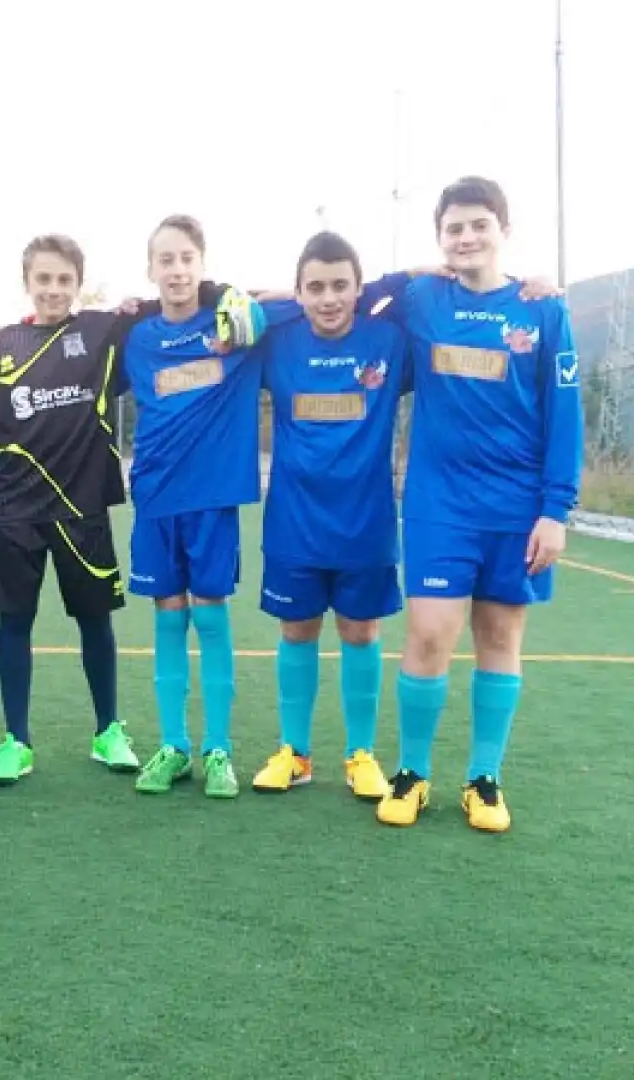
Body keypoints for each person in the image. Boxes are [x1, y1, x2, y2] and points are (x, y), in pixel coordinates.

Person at [369, 176, 584, 832]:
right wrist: (409, 270)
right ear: (441, 239)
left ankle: (484, 779)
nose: (466, 238)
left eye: (478, 226)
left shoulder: (543, 310)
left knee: (499, 636)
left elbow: (564, 415)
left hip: (517, 509)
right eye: (454, 228)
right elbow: (360, 299)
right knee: (430, 632)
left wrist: (556, 510)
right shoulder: (424, 299)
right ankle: (411, 772)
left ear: (503, 231)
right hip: (439, 503)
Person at [123, 213, 297, 798]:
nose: (175, 270)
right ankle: (173, 746)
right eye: (164, 260)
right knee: (167, 619)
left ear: (202, 263)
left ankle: (218, 748)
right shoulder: (138, 338)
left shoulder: (238, 324)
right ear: (151, 270)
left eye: (185, 259)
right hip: (154, 496)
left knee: (211, 615)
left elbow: (324, 298)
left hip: (213, 498)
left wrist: (242, 296)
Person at [247, 231, 410, 801]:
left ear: (359, 288)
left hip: (365, 523)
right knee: (297, 630)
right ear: (298, 291)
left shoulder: (389, 342)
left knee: (361, 631)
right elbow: (237, 309)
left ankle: (360, 754)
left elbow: (421, 288)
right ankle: (295, 752)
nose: (329, 298)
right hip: (295, 520)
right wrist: (288, 302)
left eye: (341, 286)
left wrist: (374, 295)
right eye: (314, 288)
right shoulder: (278, 343)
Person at [0, 235, 143, 780]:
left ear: (79, 283)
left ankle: (108, 732)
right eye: (43, 279)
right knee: (14, 623)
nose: (53, 289)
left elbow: (167, 310)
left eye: (64, 280)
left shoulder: (100, 331)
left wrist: (130, 308)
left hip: (82, 506)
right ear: (27, 282)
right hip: (15, 509)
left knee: (96, 622)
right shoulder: (2, 344)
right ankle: (15, 742)